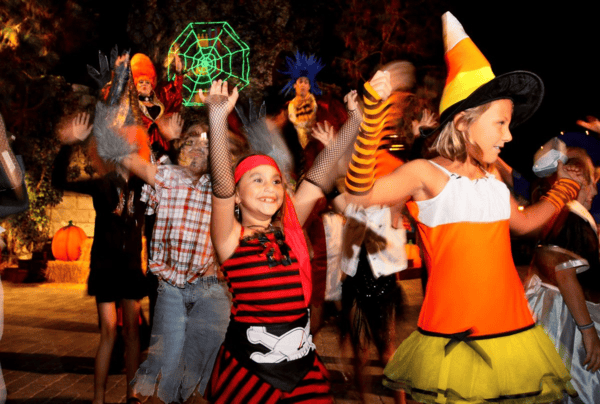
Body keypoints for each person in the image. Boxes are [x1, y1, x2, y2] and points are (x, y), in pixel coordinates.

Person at [342, 12, 580, 403]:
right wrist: (369, 123)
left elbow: (523, 224)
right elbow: (359, 192)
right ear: (465, 122)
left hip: (511, 333)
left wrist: (560, 193)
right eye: (500, 123)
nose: (508, 135)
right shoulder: (426, 174)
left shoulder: (492, 183)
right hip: (454, 338)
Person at [198, 71, 391, 402]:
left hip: (302, 368)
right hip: (250, 372)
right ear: (238, 197)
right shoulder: (230, 238)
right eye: (255, 180)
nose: (270, 187)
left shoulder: (289, 231)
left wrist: (356, 119)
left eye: (275, 181)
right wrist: (217, 121)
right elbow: (221, 186)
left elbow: (322, 171)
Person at [118, 116, 231, 404]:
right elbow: (134, 161)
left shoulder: (221, 185)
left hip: (208, 287)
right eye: (190, 142)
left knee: (203, 369)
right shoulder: (168, 175)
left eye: (205, 144)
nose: (196, 148)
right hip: (170, 284)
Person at [54, 110, 148, 404]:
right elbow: (60, 182)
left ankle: (132, 392)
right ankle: (99, 398)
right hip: (106, 267)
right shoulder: (101, 184)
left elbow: (173, 182)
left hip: (132, 266)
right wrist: (68, 145)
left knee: (132, 332)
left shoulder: (144, 187)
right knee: (109, 332)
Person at [526, 146, 600, 403]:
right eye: (592, 183)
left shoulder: (558, 211)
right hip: (566, 317)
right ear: (579, 177)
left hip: (553, 308)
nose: (595, 191)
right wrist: (588, 330)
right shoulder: (572, 219)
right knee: (573, 380)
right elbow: (566, 275)